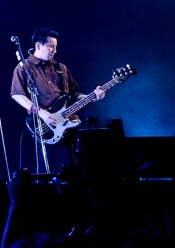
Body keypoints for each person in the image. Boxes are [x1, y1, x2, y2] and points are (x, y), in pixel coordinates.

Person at [10, 28, 105, 173]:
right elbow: (17, 94)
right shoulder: (24, 67)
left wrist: (92, 96)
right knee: (47, 168)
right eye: (51, 46)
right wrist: (41, 113)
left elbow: (74, 94)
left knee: (79, 166)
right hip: (45, 125)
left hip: (68, 123)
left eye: (55, 47)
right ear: (38, 46)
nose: (54, 50)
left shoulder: (61, 68)